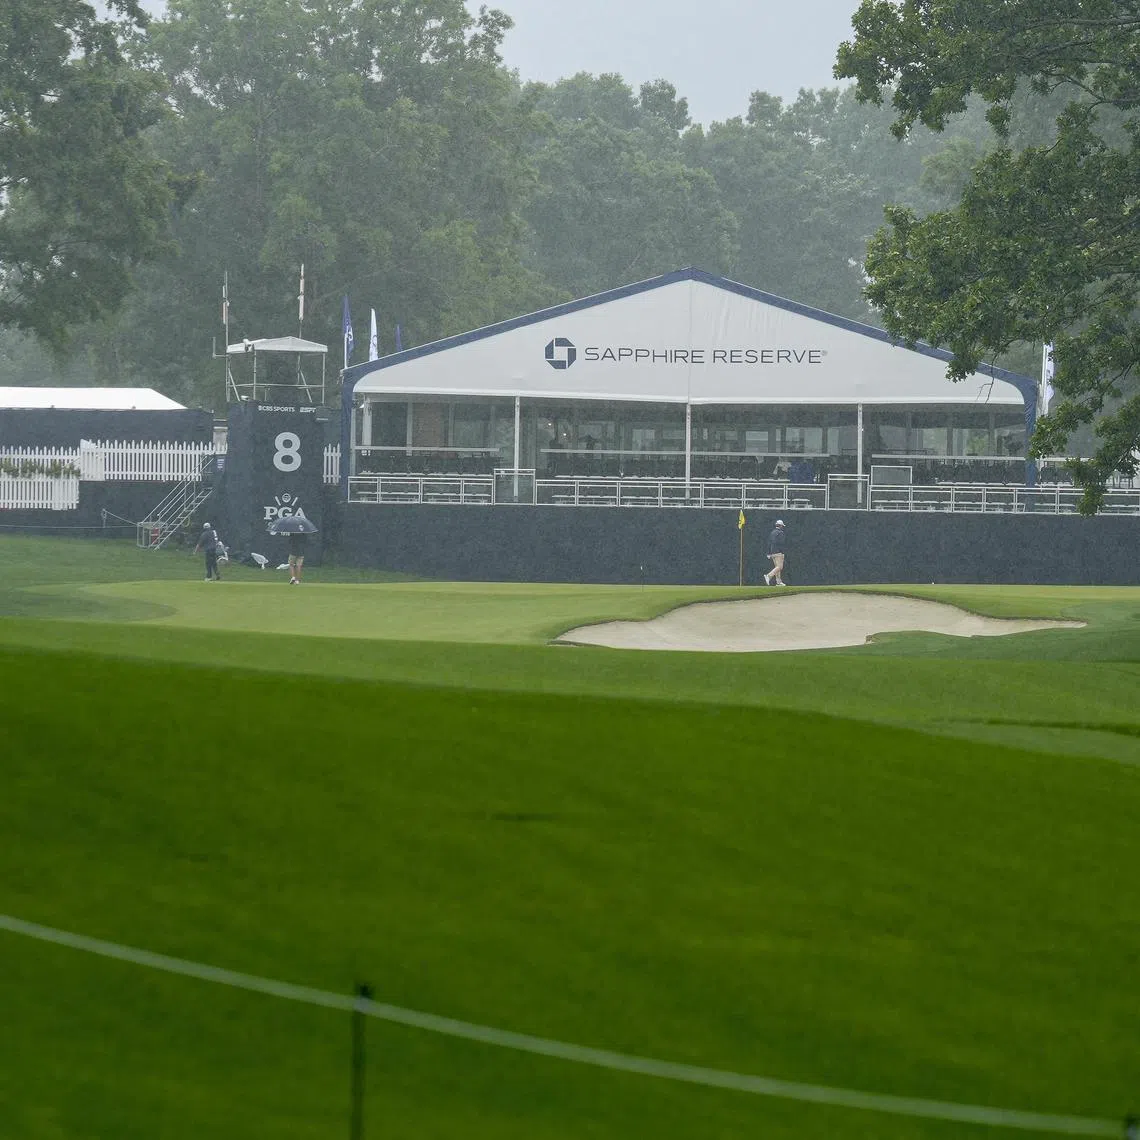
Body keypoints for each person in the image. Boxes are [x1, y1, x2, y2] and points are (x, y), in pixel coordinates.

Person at [764, 519, 787, 586]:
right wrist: (782, 552)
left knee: (777, 567)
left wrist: (768, 553)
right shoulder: (781, 533)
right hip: (778, 552)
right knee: (780, 567)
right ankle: (768, 576)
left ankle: (778, 582)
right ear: (781, 526)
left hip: (772, 552)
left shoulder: (772, 532)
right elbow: (781, 543)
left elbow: (769, 543)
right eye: (782, 526)